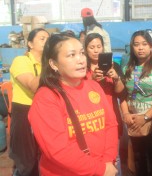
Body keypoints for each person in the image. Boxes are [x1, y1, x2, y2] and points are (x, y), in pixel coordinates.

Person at [28, 33, 119, 176]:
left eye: (82, 53)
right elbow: (58, 150)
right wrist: (100, 169)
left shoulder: (94, 87)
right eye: (71, 55)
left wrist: (108, 161)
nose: (81, 60)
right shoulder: (46, 98)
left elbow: (110, 125)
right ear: (53, 63)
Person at [121, 30, 152, 176]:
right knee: (138, 159)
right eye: (136, 44)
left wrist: (146, 117)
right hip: (134, 122)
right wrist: (125, 113)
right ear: (132, 47)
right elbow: (123, 96)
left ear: (151, 46)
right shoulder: (127, 69)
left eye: (144, 44)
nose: (140, 48)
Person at [84, 33, 127, 175]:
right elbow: (80, 95)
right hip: (90, 120)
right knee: (92, 156)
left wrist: (116, 78)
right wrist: (93, 80)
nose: (96, 50)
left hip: (111, 118)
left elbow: (121, 93)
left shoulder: (114, 66)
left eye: (98, 46)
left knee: (114, 157)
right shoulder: (82, 69)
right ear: (85, 49)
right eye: (92, 47)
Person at [9, 28, 49, 176]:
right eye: (42, 38)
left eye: (48, 38)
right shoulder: (21, 61)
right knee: (26, 160)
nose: (46, 41)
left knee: (43, 154)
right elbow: (33, 85)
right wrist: (49, 64)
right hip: (24, 112)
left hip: (44, 111)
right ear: (30, 43)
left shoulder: (48, 63)